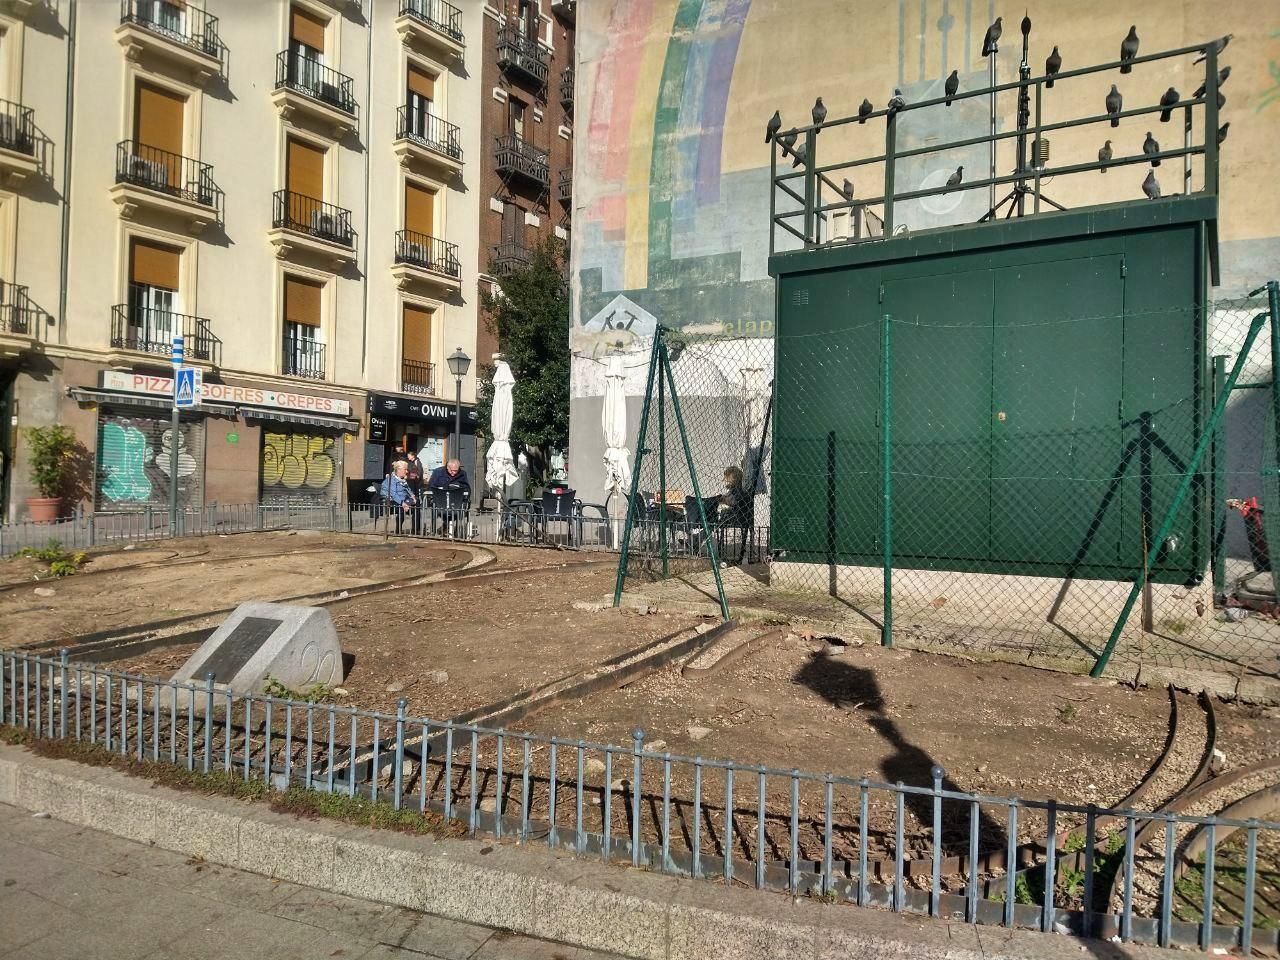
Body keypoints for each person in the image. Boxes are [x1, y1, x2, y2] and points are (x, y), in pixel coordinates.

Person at [427, 458, 471, 536]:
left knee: (460, 507)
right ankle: (442, 527)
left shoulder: (462, 474)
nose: (453, 473)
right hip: (440, 502)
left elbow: (467, 488)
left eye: (456, 471)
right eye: (451, 471)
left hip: (456, 502)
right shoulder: (438, 472)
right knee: (437, 506)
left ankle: (450, 528)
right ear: (447, 467)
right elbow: (431, 487)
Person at [380, 460, 417, 535]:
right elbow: (394, 494)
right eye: (405, 469)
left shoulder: (402, 480)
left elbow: (408, 489)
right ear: (399, 470)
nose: (407, 471)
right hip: (392, 501)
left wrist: (412, 496)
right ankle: (398, 529)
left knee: (417, 503)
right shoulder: (391, 480)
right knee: (402, 506)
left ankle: (416, 528)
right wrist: (403, 503)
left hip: (404, 500)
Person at [404, 449, 424, 534]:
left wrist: (415, 477)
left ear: (413, 456)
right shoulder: (411, 462)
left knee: (416, 504)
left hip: (416, 484)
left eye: (409, 455)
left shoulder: (417, 462)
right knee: (415, 506)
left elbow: (419, 472)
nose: (408, 457)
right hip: (412, 485)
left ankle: (416, 528)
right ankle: (415, 528)